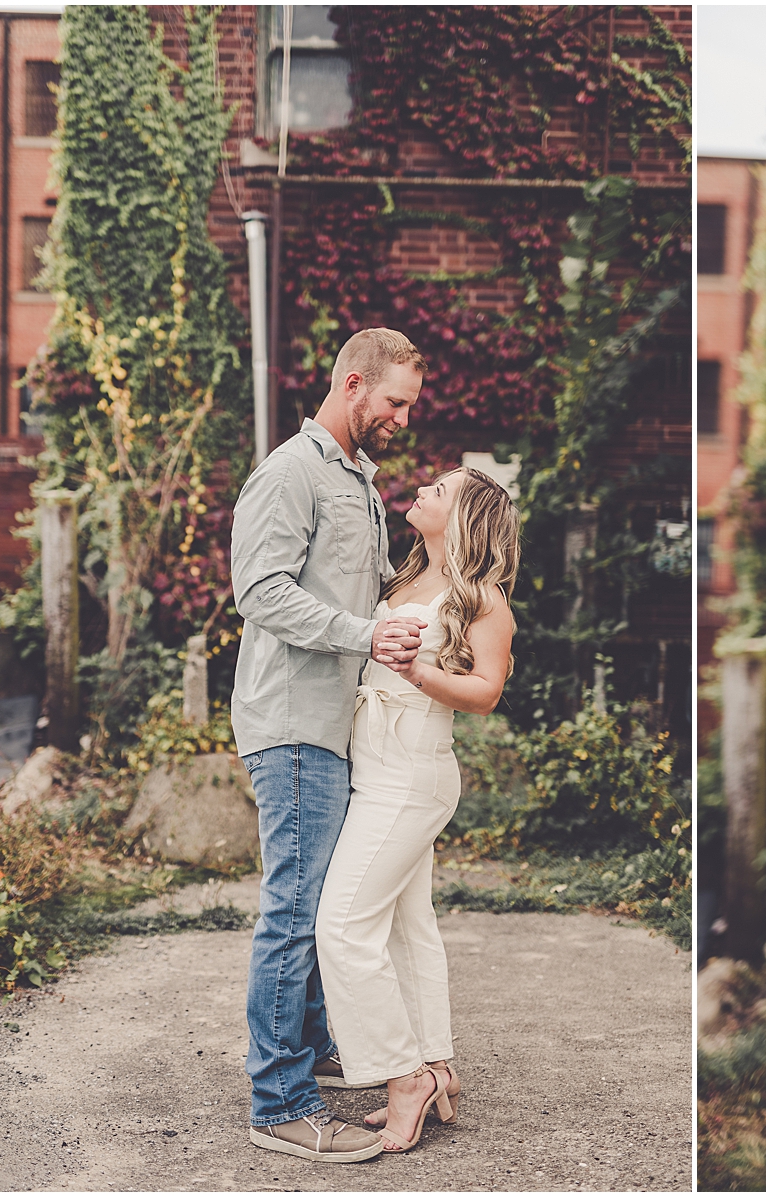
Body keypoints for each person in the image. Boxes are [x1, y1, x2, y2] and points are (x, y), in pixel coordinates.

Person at [231, 327, 430, 1163]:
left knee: (318, 902)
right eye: (395, 402)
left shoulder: (356, 478)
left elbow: (368, 589)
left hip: (335, 726)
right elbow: (260, 590)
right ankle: (279, 1100)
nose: (402, 418)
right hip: (291, 722)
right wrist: (365, 633)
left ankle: (309, 1051)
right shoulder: (290, 472)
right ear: (354, 384)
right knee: (294, 907)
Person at [314, 466, 520, 1154]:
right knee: (408, 926)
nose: (424, 488)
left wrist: (418, 673)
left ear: (464, 515)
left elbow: (487, 690)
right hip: (374, 768)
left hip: (412, 776)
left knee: (342, 925)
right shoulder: (405, 582)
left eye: (441, 487)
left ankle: (403, 1077)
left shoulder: (483, 599)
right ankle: (435, 1062)